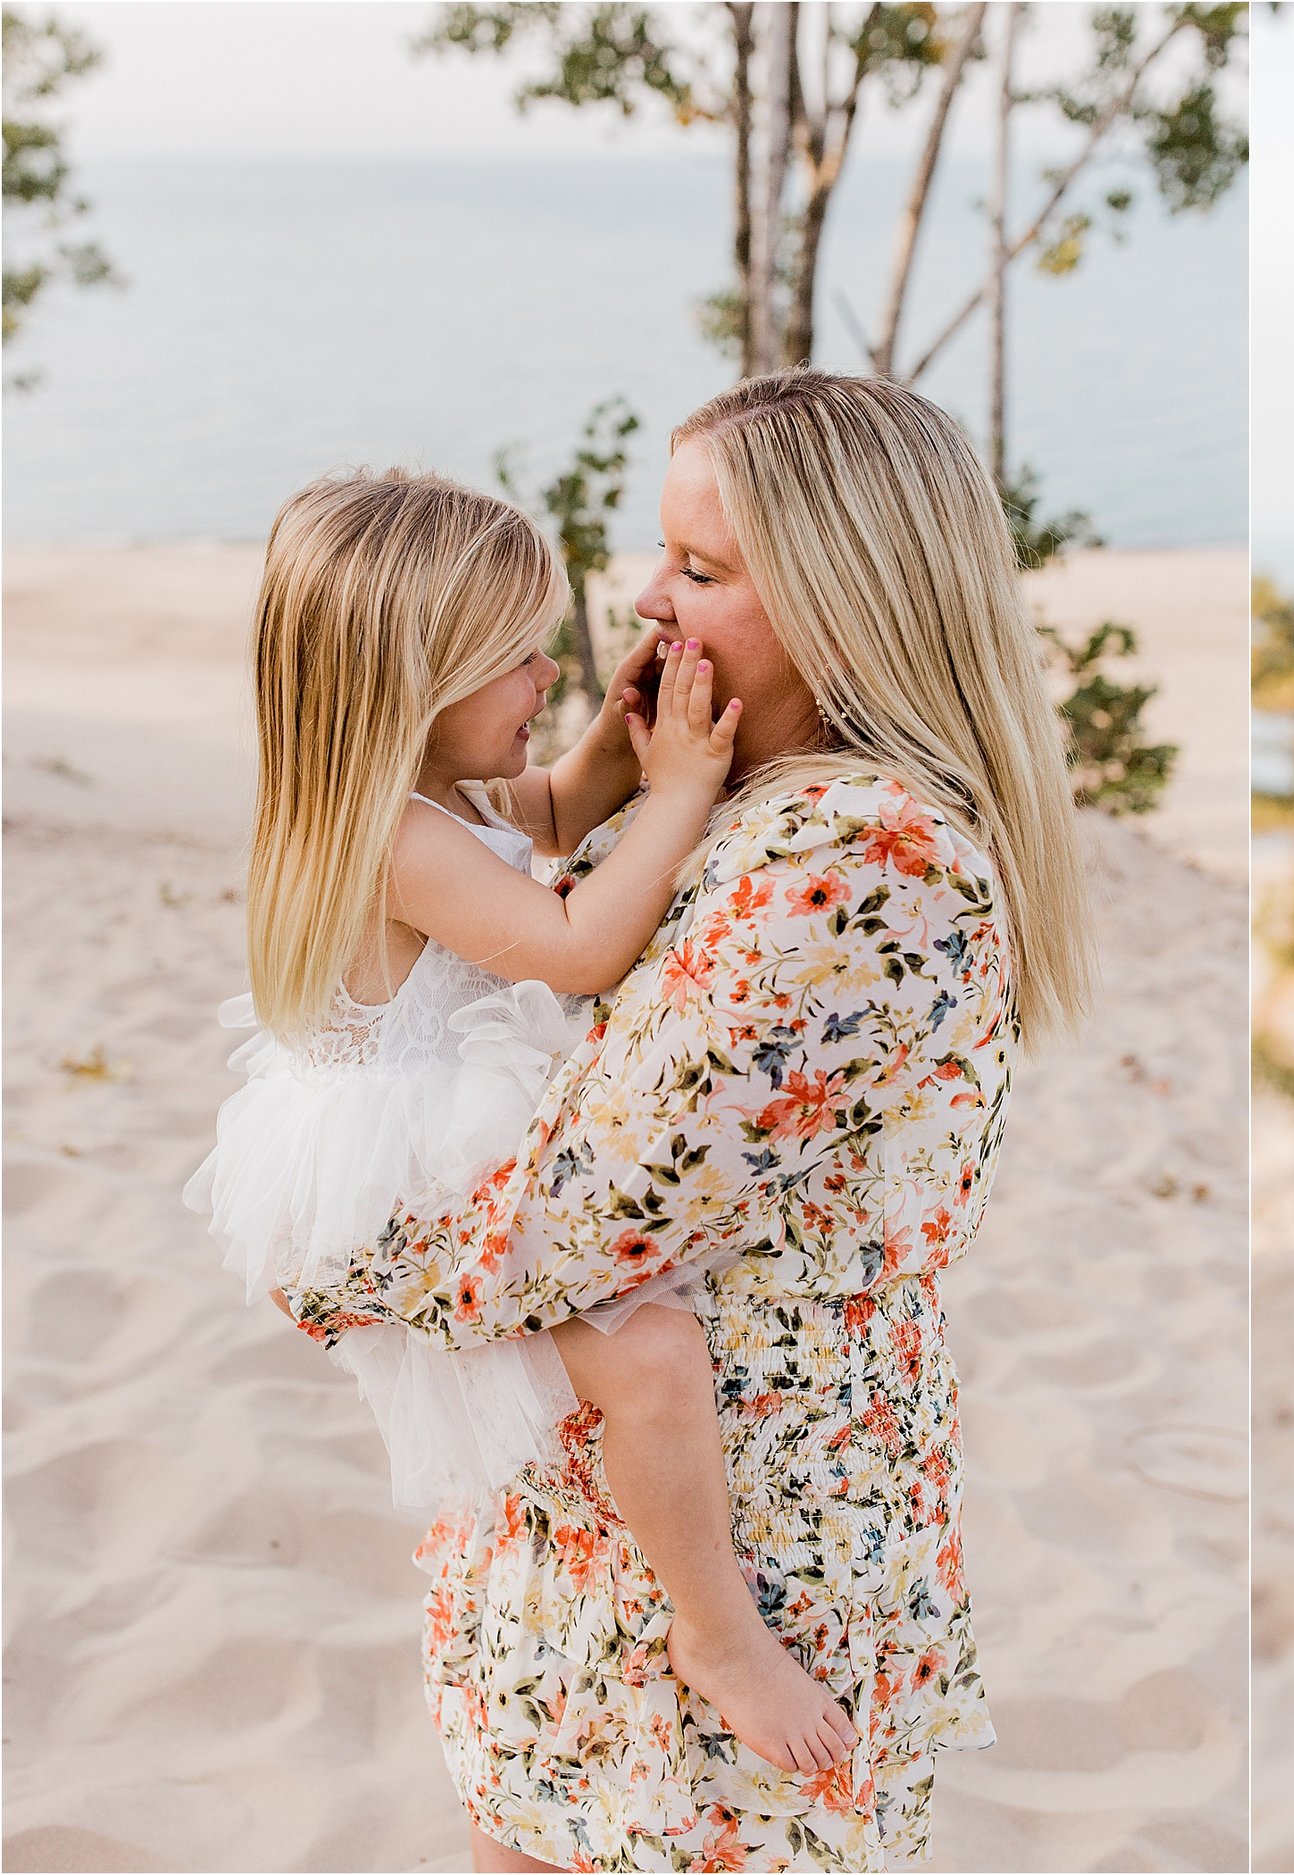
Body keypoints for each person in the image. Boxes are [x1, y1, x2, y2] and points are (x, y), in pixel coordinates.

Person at [283, 374, 1091, 1873]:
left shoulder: (855, 856)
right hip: (611, 1534)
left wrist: (329, 1264)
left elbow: (578, 1216)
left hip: (738, 1564)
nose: (647, 601)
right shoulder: (748, 799)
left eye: (702, 571)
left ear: (848, 604)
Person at [187, 468, 859, 1777]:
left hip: (438, 1130)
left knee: (641, 1355)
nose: (549, 671)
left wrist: (612, 751)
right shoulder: (387, 833)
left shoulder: (435, 791)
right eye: (514, 658)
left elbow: (546, 816)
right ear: (414, 678)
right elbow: (574, 946)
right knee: (651, 1358)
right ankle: (717, 1629)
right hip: (397, 1179)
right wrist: (676, 792)